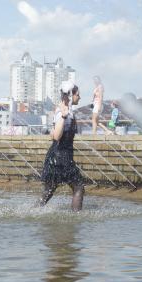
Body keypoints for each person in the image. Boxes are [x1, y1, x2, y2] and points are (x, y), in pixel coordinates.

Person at [39, 81, 84, 211]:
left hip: (56, 155)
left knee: (49, 190)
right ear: (71, 95)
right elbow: (56, 136)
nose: (79, 97)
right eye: (78, 95)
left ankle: (33, 211)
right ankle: (75, 218)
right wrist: (63, 117)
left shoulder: (63, 110)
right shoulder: (63, 113)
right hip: (62, 156)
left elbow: (52, 135)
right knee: (78, 187)